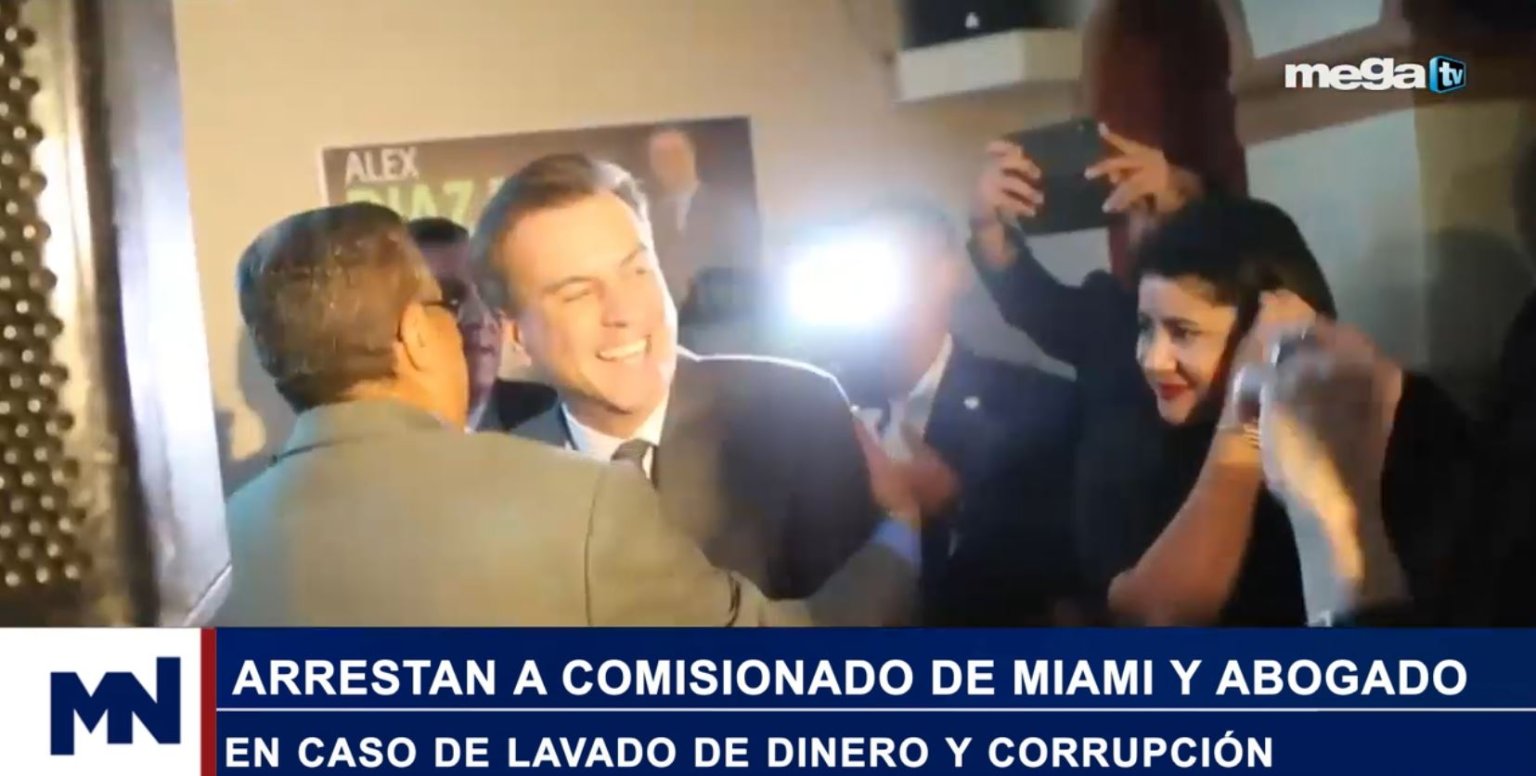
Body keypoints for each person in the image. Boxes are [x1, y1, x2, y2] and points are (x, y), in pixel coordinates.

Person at [218, 202, 922, 626]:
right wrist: (903, 531)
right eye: (446, 306)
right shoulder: (580, 501)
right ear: (413, 336)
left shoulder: (212, 561)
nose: (468, 326)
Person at [471, 154, 885, 601]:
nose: (624, 312)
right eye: (578, 293)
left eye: (637, 272)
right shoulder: (502, 480)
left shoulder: (795, 413)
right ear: (515, 335)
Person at [1104, 196, 1470, 625]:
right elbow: (1148, 615)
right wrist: (1242, 425)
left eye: (1183, 332)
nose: (1152, 359)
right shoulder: (1159, 437)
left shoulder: (1406, 424)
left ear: (1267, 328)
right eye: (1145, 327)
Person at [837, 200, 1081, 625]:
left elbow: (1070, 566)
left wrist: (958, 505)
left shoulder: (1036, 401)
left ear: (953, 274)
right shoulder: (821, 404)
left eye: (901, 263)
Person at [405, 217, 531, 427]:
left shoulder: (550, 424)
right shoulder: (364, 432)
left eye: (487, 293)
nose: (481, 318)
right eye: (449, 298)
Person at [645, 125, 759, 305]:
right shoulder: (649, 217)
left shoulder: (727, 208)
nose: (668, 162)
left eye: (675, 154)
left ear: (691, 157)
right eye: (660, 157)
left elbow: (745, 266)